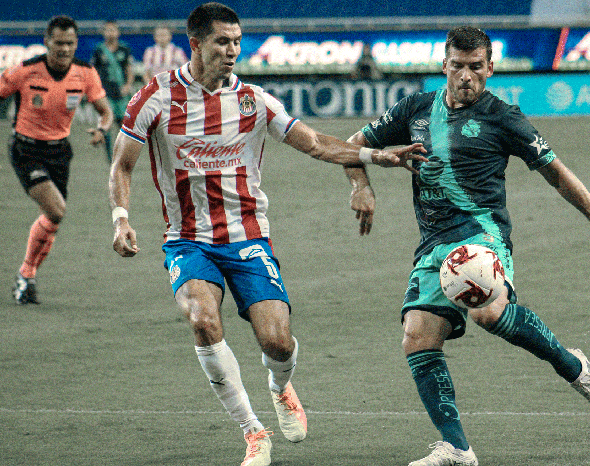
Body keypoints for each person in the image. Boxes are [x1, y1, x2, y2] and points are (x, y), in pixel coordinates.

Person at [108, 3, 425, 466]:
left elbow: (314, 143)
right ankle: (253, 432)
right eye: (222, 41)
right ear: (195, 44)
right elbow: (122, 165)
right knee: (203, 319)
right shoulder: (155, 97)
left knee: (277, 342)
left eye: (237, 42)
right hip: (187, 239)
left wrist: (376, 157)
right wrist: (121, 217)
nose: (232, 50)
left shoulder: (253, 101)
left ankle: (280, 386)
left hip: (248, 237)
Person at [344, 26, 590, 466]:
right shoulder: (415, 108)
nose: (466, 76)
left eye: (475, 67)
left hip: (482, 236)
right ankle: (457, 449)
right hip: (433, 244)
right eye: (457, 66)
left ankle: (572, 367)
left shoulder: (503, 117)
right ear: (444, 65)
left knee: (487, 311)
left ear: (490, 68)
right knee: (417, 338)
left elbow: (556, 172)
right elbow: (353, 145)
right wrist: (361, 186)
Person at [1, 15, 113, 305]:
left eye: (70, 43)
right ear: (46, 42)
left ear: (76, 44)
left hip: (60, 153)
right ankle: (26, 273)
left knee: (53, 219)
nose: (64, 49)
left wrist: (102, 129)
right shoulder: (25, 70)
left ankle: (27, 277)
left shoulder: (85, 73)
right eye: (59, 43)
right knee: (56, 210)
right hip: (26, 150)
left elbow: (106, 112)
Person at [91, 19, 134, 162]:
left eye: (113, 30)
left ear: (118, 32)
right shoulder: (98, 50)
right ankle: (111, 159)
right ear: (103, 33)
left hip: (122, 95)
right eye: (107, 30)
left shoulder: (124, 49)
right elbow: (93, 72)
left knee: (124, 127)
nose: (110, 33)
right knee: (106, 126)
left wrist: (127, 86)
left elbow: (129, 70)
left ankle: (123, 156)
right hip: (105, 95)